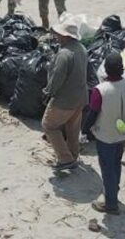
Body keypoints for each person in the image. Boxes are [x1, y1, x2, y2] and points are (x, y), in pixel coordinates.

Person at [83, 51, 125, 214]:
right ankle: (114, 192)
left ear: (105, 70)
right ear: (122, 69)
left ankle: (111, 204)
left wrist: (85, 130)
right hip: (123, 133)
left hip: (106, 135)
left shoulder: (100, 90)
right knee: (116, 163)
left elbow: (93, 113)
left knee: (107, 169)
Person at [42, 20, 89, 171]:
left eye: (59, 34)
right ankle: (73, 155)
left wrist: (48, 92)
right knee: (72, 128)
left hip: (65, 100)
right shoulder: (81, 49)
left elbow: (57, 78)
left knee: (49, 126)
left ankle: (65, 159)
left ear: (66, 36)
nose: (56, 36)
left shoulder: (64, 54)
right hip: (80, 97)